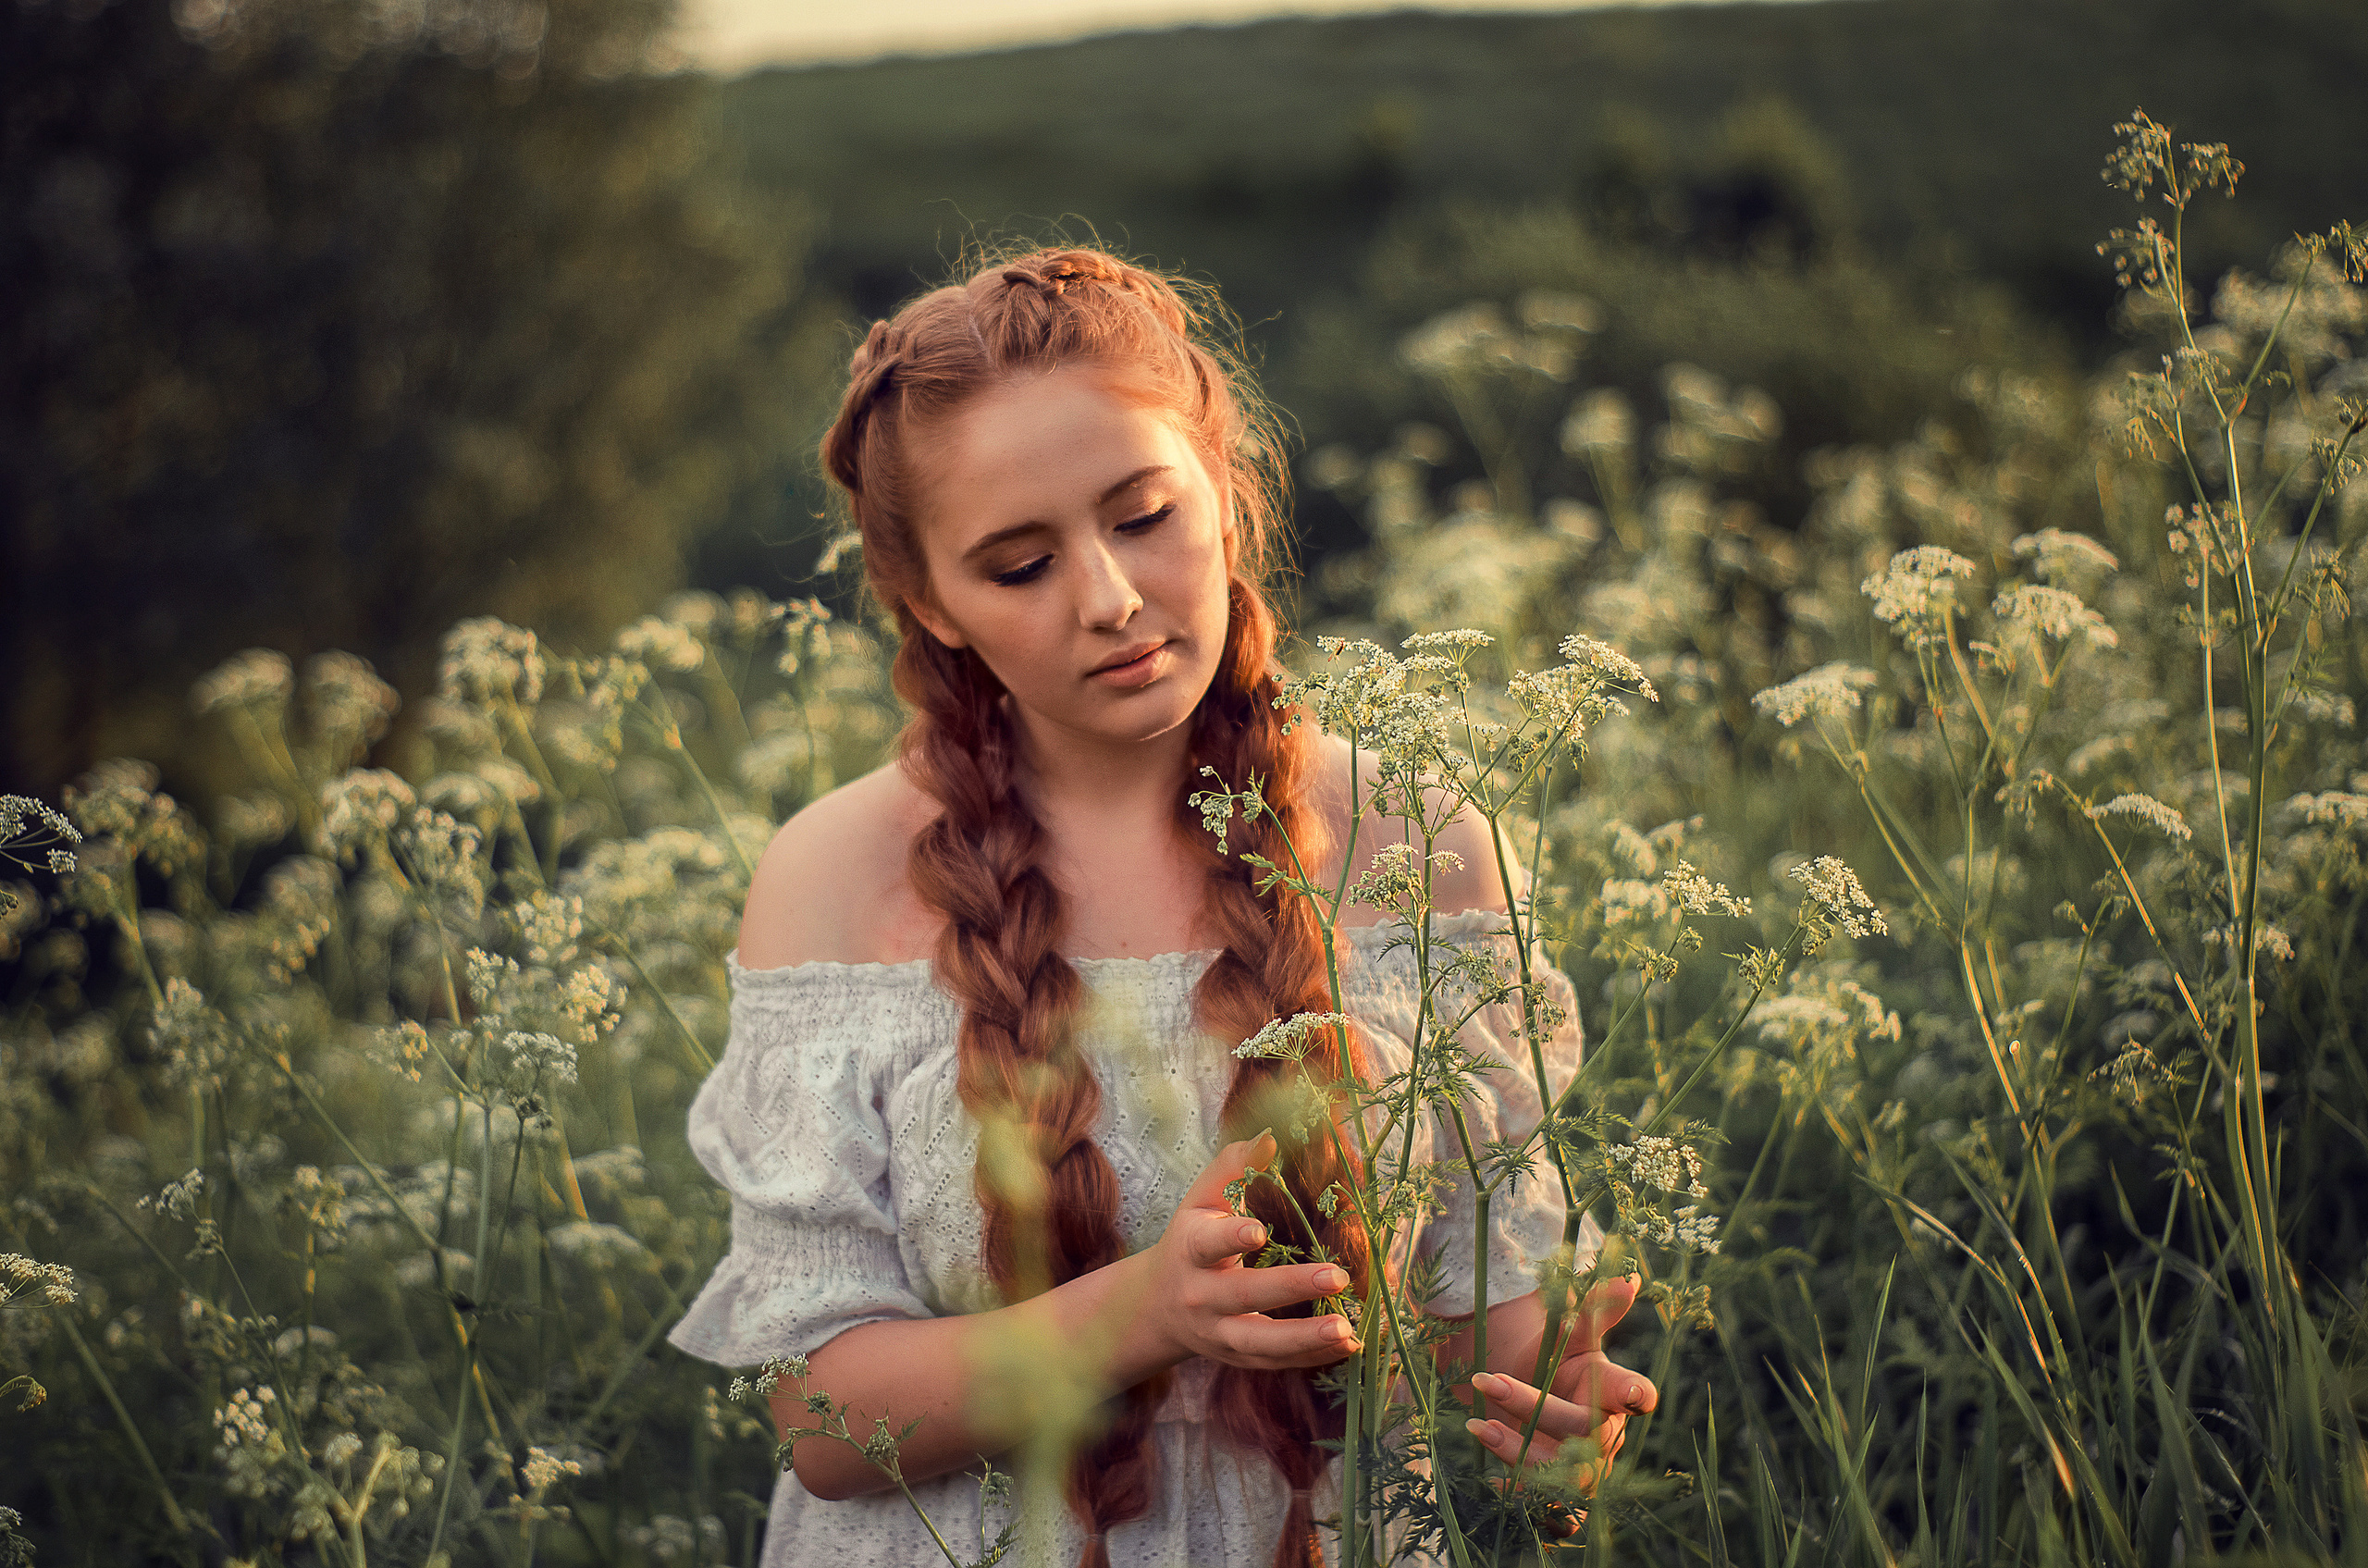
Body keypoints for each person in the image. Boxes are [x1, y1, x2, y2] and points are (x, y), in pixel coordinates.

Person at [667, 245, 1659, 1568]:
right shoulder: (833, 876)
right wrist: (1144, 1313)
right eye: (1019, 566)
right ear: (933, 607)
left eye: (1143, 517)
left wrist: (1559, 1442)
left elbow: (1486, 1343)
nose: (1112, 598)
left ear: (1226, 496)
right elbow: (825, 1425)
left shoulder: (1426, 845)